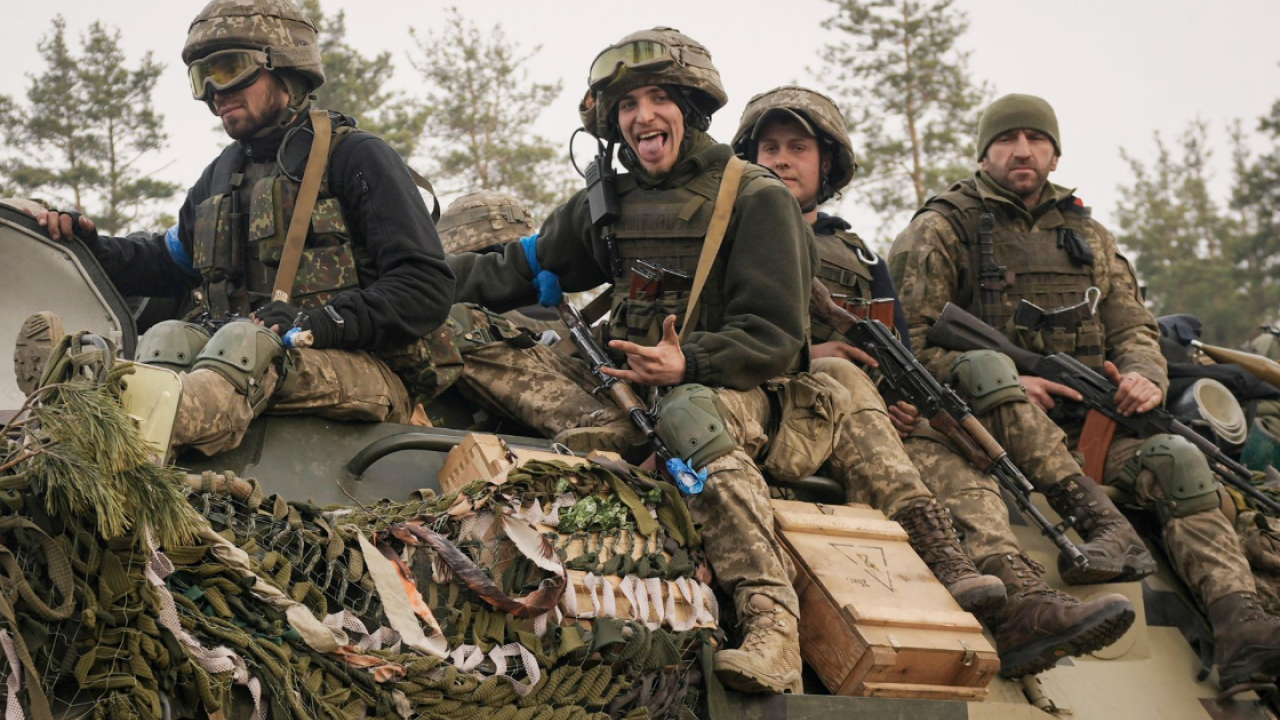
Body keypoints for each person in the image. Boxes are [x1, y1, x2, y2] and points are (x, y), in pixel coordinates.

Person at [447, 27, 1003, 694]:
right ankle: (614, 432)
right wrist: (408, 283)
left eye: (657, 100)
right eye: (627, 105)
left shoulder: (755, 197)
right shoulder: (610, 203)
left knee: (687, 412)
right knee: (449, 327)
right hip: (619, 389)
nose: (642, 117)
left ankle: (772, 623)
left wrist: (688, 364)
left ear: (691, 107)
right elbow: (515, 267)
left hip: (737, 397)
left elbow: (774, 339)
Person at [732, 85, 1139, 677]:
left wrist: (902, 405)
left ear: (828, 165)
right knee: (842, 373)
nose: (782, 160)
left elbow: (902, 348)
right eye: (769, 148)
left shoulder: (860, 258)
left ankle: (1017, 594)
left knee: (944, 446)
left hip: (864, 425)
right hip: (767, 415)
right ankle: (949, 563)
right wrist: (807, 353)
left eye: (798, 148)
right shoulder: (726, 235)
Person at [889, 92, 1280, 692]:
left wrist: (1144, 373)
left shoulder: (1088, 234)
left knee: (1180, 459)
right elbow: (907, 343)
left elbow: (1133, 324)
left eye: (1036, 139)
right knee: (992, 370)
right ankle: (1082, 538)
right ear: (985, 151)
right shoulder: (943, 228)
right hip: (984, 428)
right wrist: (1009, 380)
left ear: (1054, 150)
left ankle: (1243, 633)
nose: (1023, 151)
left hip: (1088, 430)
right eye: (1007, 139)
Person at [19, 0, 454, 456]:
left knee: (246, 346)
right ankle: (80, 404)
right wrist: (89, 248)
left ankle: (98, 421)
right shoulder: (221, 176)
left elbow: (424, 286)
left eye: (228, 69)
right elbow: (170, 263)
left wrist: (317, 324)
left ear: (286, 68)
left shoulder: (356, 158)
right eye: (200, 78)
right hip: (235, 359)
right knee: (169, 336)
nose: (214, 92)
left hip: (364, 369)